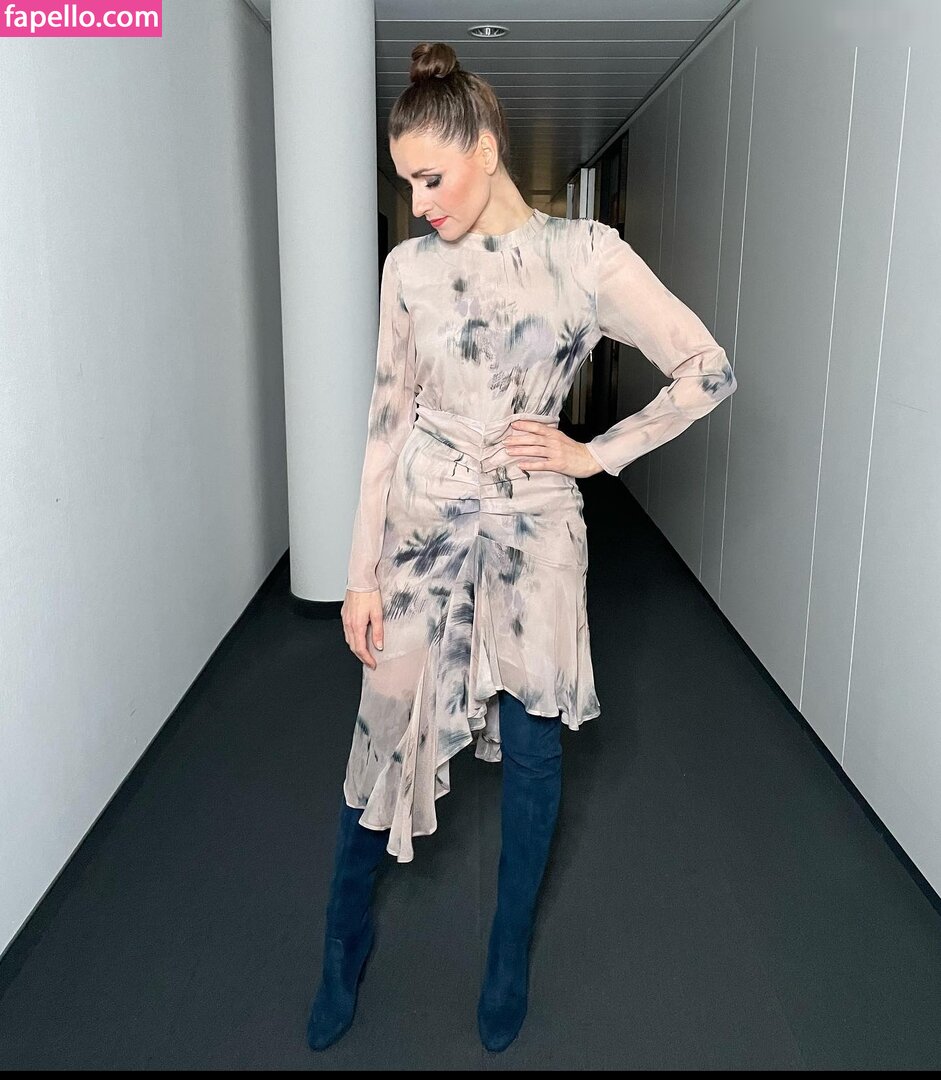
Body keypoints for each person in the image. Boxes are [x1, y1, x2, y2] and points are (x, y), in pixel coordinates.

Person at [307, 40, 738, 1055]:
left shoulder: (584, 255)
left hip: (536, 530)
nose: (417, 203)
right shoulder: (407, 270)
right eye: (405, 183)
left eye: (430, 178)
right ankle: (340, 942)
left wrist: (596, 453)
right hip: (421, 526)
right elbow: (384, 424)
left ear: (486, 151)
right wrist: (357, 576)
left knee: (535, 749)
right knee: (382, 733)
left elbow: (706, 370)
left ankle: (507, 951)